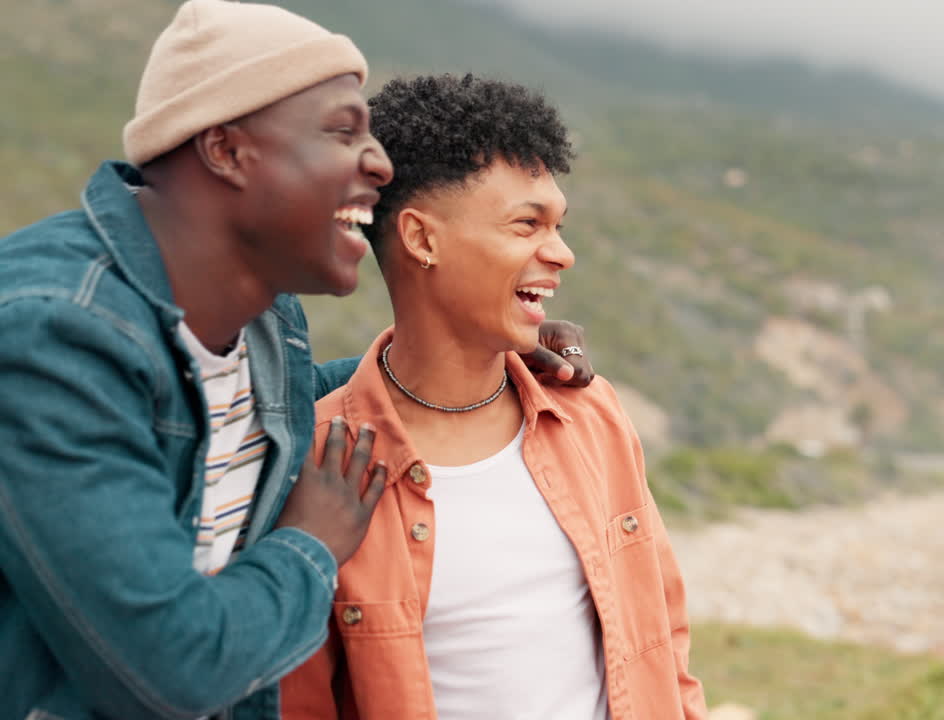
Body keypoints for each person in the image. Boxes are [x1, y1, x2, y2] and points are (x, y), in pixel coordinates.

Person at [0, 3, 591, 719]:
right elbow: (170, 671)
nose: (378, 162)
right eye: (343, 132)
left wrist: (483, 349)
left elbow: (282, 404)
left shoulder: (263, 323)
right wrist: (310, 542)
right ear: (226, 150)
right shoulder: (53, 336)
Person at [280, 73, 707, 720]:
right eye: (526, 224)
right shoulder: (320, 461)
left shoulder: (591, 415)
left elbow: (665, 648)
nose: (561, 253)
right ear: (423, 239)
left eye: (557, 224)